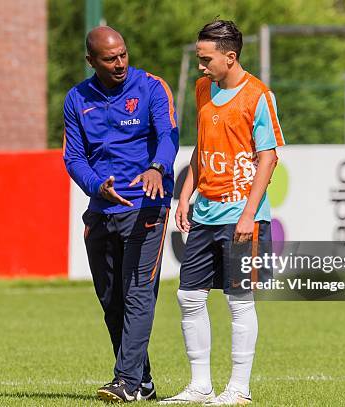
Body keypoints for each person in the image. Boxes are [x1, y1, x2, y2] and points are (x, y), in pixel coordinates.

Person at [161, 20, 285, 405]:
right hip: (205, 212)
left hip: (241, 216)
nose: (201, 66)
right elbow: (201, 147)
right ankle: (200, 385)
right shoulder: (202, 89)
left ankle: (239, 388)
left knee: (239, 299)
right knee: (188, 297)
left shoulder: (258, 96)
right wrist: (186, 195)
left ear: (230, 57)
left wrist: (249, 215)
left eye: (206, 59)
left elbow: (268, 158)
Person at [63, 26, 179, 403]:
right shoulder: (76, 99)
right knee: (111, 299)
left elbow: (168, 135)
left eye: (123, 55)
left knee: (138, 294)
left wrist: (157, 168)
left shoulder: (151, 87)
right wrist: (97, 186)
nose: (119, 64)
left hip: (147, 204)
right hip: (101, 207)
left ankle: (126, 382)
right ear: (91, 61)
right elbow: (74, 157)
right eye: (110, 58)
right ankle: (143, 382)